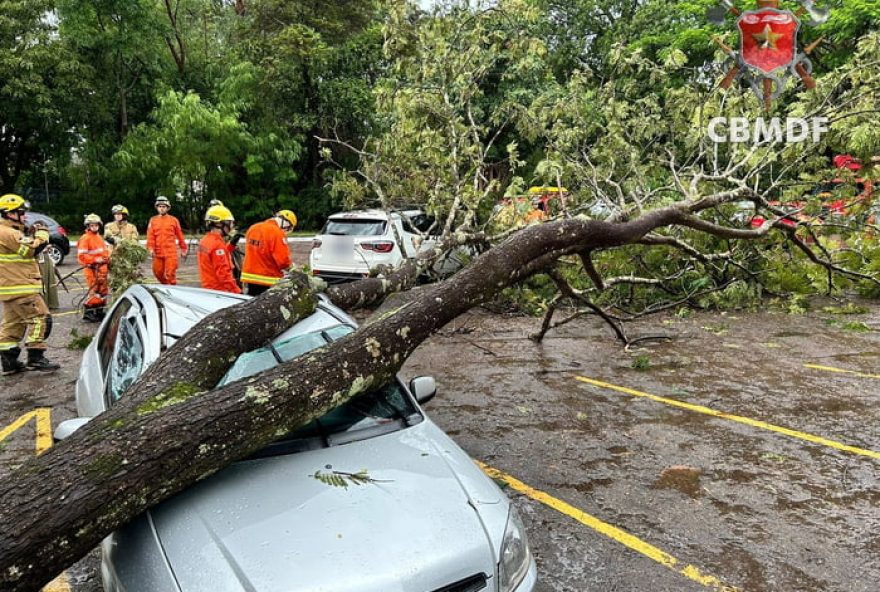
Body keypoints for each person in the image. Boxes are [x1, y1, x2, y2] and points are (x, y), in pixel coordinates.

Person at [0, 194, 60, 374]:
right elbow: (29, 250)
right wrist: (42, 235)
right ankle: (36, 357)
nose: (24, 216)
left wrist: (29, 232)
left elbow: (21, 246)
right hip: (21, 287)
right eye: (20, 212)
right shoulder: (7, 232)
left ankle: (9, 361)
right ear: (8, 213)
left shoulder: (9, 231)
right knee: (41, 318)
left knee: (13, 325)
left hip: (10, 288)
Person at [241, 209, 296, 296]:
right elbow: (283, 261)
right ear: (287, 224)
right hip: (267, 278)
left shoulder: (253, 228)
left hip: (249, 276)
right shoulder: (277, 233)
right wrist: (292, 268)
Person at [198, 204, 241, 294]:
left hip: (209, 289)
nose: (232, 226)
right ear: (220, 223)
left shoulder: (205, 240)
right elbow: (224, 274)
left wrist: (231, 244)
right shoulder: (217, 244)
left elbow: (217, 258)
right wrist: (237, 292)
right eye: (230, 222)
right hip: (221, 292)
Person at [146, 196, 187, 285]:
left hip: (170, 252)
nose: (161, 208)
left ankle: (172, 289)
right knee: (157, 272)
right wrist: (150, 248)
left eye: (163, 206)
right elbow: (150, 236)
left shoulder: (174, 220)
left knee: (170, 274)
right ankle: (166, 286)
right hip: (158, 252)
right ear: (157, 207)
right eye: (160, 206)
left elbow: (180, 235)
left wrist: (183, 249)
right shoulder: (153, 220)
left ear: (167, 208)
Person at [77, 213, 110, 322]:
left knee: (103, 291)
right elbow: (81, 256)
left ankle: (99, 311)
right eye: (92, 225)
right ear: (88, 226)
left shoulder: (99, 237)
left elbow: (104, 252)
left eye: (96, 225)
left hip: (102, 269)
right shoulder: (85, 238)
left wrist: (107, 259)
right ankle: (89, 312)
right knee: (94, 290)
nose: (94, 227)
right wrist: (95, 260)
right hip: (91, 269)